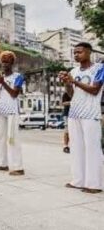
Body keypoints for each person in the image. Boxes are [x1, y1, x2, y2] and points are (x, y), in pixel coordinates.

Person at [59, 42, 104, 194]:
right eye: (75, 52)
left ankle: (94, 184)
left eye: (80, 52)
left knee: (92, 149)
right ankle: (78, 180)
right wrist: (67, 83)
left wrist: (74, 81)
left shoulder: (99, 68)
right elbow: (72, 94)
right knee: (76, 148)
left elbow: (95, 90)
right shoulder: (74, 70)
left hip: (90, 114)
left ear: (89, 52)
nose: (76, 55)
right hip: (74, 114)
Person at [0, 51, 25, 176]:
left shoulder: (18, 77)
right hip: (1, 111)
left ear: (12, 62)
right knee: (0, 138)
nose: (4, 63)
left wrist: (3, 82)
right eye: (3, 61)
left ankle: (18, 167)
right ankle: (3, 164)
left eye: (7, 61)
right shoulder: (0, 77)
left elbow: (14, 94)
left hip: (12, 111)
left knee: (13, 139)